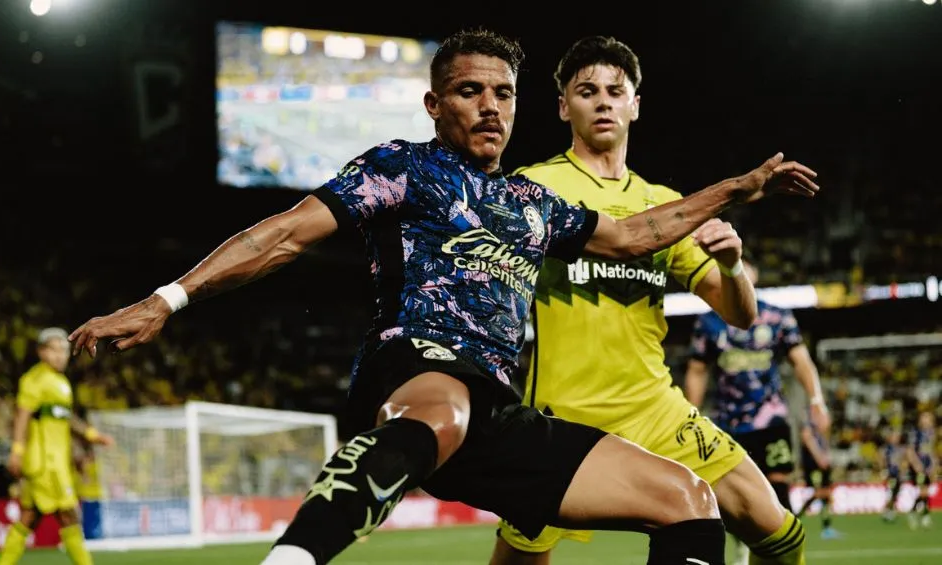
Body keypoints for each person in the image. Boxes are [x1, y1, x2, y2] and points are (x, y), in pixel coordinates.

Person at [69, 29, 818, 565]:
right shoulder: (405, 168)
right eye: (470, 91)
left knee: (687, 497)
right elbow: (286, 234)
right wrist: (168, 298)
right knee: (445, 407)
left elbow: (634, 234)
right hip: (415, 366)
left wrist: (738, 189)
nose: (491, 106)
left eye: (503, 93)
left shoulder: (534, 203)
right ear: (434, 103)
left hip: (497, 412)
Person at [488, 35, 815, 565]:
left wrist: (733, 265)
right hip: (561, 417)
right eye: (586, 90)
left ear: (635, 105)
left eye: (616, 91)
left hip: (656, 410)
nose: (603, 101)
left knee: (780, 532)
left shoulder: (664, 204)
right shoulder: (534, 186)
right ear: (562, 106)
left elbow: (741, 314)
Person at [685, 259, 829, 564]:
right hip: (727, 423)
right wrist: (690, 413)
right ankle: (741, 542)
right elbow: (697, 370)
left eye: (742, 274)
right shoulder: (709, 322)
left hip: (771, 418)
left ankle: (781, 552)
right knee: (730, 492)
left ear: (754, 279)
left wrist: (817, 399)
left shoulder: (777, 316)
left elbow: (801, 361)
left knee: (778, 483)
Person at [0, 328, 114, 565]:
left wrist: (91, 434)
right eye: (54, 350)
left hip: (58, 464)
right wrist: (17, 451)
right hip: (45, 464)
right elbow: (22, 416)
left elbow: (67, 417)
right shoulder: (34, 380)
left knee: (30, 517)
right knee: (68, 515)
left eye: (64, 350)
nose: (61, 355)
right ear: (41, 352)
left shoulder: (61, 383)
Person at [796, 416, 840, 539]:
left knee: (822, 495)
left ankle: (826, 528)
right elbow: (807, 438)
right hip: (813, 464)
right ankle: (796, 517)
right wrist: (819, 457)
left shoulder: (816, 423)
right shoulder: (807, 421)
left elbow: (822, 437)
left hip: (819, 463)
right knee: (820, 493)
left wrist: (825, 456)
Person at [906, 410, 937, 529]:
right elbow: (910, 450)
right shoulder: (916, 433)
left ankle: (913, 512)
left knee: (925, 491)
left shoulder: (931, 433)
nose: (927, 420)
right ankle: (925, 517)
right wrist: (916, 465)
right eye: (925, 417)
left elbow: (931, 451)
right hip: (918, 466)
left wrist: (934, 465)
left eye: (929, 418)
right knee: (924, 491)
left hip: (928, 466)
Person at [878, 427, 904, 523]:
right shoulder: (886, 449)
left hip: (897, 475)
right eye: (894, 437)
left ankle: (890, 511)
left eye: (897, 437)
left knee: (895, 494)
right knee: (891, 494)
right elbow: (881, 458)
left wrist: (902, 469)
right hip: (890, 475)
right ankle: (887, 512)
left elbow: (902, 462)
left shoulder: (900, 449)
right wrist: (883, 470)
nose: (896, 439)